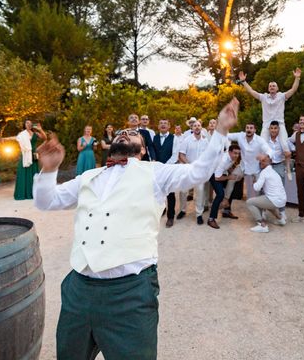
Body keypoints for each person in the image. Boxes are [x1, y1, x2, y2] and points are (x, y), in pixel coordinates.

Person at [32, 98, 238, 360]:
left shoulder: (156, 173)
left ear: (142, 150)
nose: (126, 132)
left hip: (130, 294)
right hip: (79, 291)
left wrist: (221, 130)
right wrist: (49, 170)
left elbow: (198, 172)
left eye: (133, 133)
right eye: (122, 132)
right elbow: (45, 201)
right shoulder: (88, 177)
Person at [238, 68, 301, 178]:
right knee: (261, 145)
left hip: (280, 124)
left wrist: (297, 78)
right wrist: (244, 81)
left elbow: (293, 89)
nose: (272, 87)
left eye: (274, 86)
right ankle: (259, 169)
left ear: (277, 88)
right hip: (267, 124)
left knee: (285, 145)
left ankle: (288, 169)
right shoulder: (263, 97)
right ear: (268, 88)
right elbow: (251, 91)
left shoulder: (282, 96)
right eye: (270, 86)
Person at [228, 123, 274, 199]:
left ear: (254, 130)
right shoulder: (240, 136)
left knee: (255, 193)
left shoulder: (259, 140)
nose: (249, 129)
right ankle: (226, 201)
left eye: (251, 128)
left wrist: (265, 156)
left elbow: (270, 151)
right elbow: (227, 136)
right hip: (243, 167)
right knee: (231, 179)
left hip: (255, 170)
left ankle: (261, 206)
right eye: (247, 128)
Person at [178, 120, 210, 224]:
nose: (196, 127)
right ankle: (182, 210)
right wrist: (189, 165)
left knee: (200, 192)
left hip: (199, 171)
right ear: (192, 128)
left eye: (199, 126)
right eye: (195, 126)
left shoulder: (205, 141)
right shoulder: (187, 140)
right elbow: (181, 155)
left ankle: (199, 214)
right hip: (187, 169)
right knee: (183, 191)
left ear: (201, 128)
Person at [245, 155, 287, 233]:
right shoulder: (273, 171)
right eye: (261, 160)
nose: (261, 162)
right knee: (266, 201)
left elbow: (257, 188)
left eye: (264, 160)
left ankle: (262, 225)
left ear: (270, 162)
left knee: (249, 202)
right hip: (282, 200)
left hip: (274, 200)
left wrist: (254, 182)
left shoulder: (264, 172)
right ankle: (281, 219)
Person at [152, 119, 180, 227]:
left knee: (170, 193)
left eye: (165, 124)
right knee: (158, 191)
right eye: (161, 123)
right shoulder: (154, 138)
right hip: (157, 169)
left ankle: (170, 217)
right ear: (158, 126)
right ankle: (160, 210)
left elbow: (175, 155)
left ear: (169, 126)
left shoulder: (174, 138)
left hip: (169, 169)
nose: (163, 125)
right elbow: (153, 152)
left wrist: (164, 167)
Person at [207, 144, 242, 229]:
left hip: (222, 173)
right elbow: (217, 177)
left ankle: (226, 211)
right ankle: (211, 219)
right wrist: (229, 177)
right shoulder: (223, 160)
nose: (236, 155)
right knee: (220, 194)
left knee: (230, 188)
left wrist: (231, 172)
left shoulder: (233, 158)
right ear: (229, 152)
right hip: (213, 174)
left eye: (238, 153)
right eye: (235, 153)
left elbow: (227, 167)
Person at [14, 120, 46, 200]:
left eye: (30, 123)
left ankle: (33, 192)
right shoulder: (22, 134)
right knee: (24, 173)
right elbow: (21, 145)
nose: (28, 124)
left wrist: (40, 129)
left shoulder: (35, 133)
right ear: (24, 125)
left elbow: (45, 138)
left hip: (34, 155)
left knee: (33, 173)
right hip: (26, 155)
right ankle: (23, 193)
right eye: (26, 123)